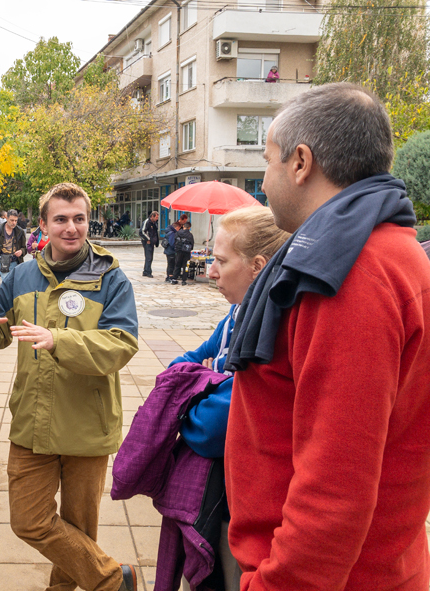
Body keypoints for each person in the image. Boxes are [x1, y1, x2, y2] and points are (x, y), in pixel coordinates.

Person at [224, 83, 430, 591]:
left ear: (300, 162)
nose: (263, 185)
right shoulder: (390, 250)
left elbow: (335, 487)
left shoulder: (347, 275)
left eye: (267, 161)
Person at [0, 182, 140, 591]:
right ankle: (113, 580)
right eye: (60, 219)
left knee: (79, 527)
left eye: (79, 218)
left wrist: (59, 340)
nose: (71, 228)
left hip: (86, 423)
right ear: (43, 224)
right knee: (28, 520)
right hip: (33, 420)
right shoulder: (22, 275)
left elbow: (122, 344)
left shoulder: (111, 278)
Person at [169, 206, 289, 590]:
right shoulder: (237, 313)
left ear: (257, 265)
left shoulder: (273, 324)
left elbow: (213, 425)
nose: (210, 271)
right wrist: (208, 379)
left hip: (242, 503)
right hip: (225, 489)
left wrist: (192, 393)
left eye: (221, 260)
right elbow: (177, 368)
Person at [0, 209, 26, 283]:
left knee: (15, 285)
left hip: (15, 262)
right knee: (7, 284)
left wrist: (21, 251)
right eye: (12, 220)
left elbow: (24, 248)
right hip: (3, 262)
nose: (14, 223)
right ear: (6, 218)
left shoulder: (20, 231)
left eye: (15, 220)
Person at [140, 211, 159, 277]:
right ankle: (148, 272)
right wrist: (148, 239)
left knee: (150, 257)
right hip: (147, 242)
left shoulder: (154, 223)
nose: (157, 218)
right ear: (152, 216)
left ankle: (146, 271)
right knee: (148, 257)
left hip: (152, 242)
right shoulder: (147, 222)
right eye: (156, 217)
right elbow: (142, 232)